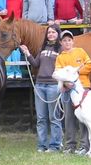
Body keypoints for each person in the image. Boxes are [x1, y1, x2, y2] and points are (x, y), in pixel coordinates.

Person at [20, 24, 62, 152]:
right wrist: (27, 53)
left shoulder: (60, 49)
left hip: (53, 85)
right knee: (41, 118)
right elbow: (35, 64)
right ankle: (42, 145)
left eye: (53, 32)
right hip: (40, 85)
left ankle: (55, 145)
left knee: (54, 117)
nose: (51, 34)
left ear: (58, 34)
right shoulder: (42, 48)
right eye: (49, 32)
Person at [55, 30, 91, 156]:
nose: (67, 42)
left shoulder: (80, 51)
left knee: (84, 117)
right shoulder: (60, 57)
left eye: (69, 40)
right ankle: (70, 145)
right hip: (68, 90)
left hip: (83, 89)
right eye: (64, 40)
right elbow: (58, 73)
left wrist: (73, 73)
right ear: (61, 42)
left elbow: (89, 65)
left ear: (73, 41)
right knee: (69, 118)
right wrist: (66, 82)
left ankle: (84, 145)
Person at [0, 0, 24, 79]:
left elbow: (22, 13)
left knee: (16, 49)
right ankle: (9, 71)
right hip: (6, 27)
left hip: (16, 26)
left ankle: (17, 71)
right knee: (7, 49)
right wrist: (1, 13)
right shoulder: (3, 0)